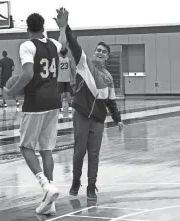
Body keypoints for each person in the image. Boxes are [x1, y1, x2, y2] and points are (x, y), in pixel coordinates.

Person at [55, 8, 124, 201]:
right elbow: (75, 46)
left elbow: (111, 102)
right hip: (81, 115)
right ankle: (76, 181)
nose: (100, 53)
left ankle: (91, 186)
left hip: (98, 120)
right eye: (98, 50)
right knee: (79, 152)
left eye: (104, 52)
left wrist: (117, 119)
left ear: (108, 57)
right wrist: (65, 27)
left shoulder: (109, 78)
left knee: (94, 154)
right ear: (94, 53)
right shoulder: (85, 65)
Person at [3, 12, 67, 215]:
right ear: (43, 27)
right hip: (54, 101)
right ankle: (50, 202)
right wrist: (63, 27)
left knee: (26, 147)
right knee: (46, 150)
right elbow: (64, 46)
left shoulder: (27, 46)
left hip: (36, 101)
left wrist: (11, 92)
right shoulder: (54, 44)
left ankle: (46, 187)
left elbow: (29, 73)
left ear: (28, 29)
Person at [57, 48, 76, 112]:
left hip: (60, 79)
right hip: (67, 79)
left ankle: (60, 107)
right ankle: (70, 106)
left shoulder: (58, 60)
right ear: (67, 53)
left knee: (61, 93)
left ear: (60, 53)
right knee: (68, 92)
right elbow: (73, 69)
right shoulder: (69, 60)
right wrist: (74, 77)